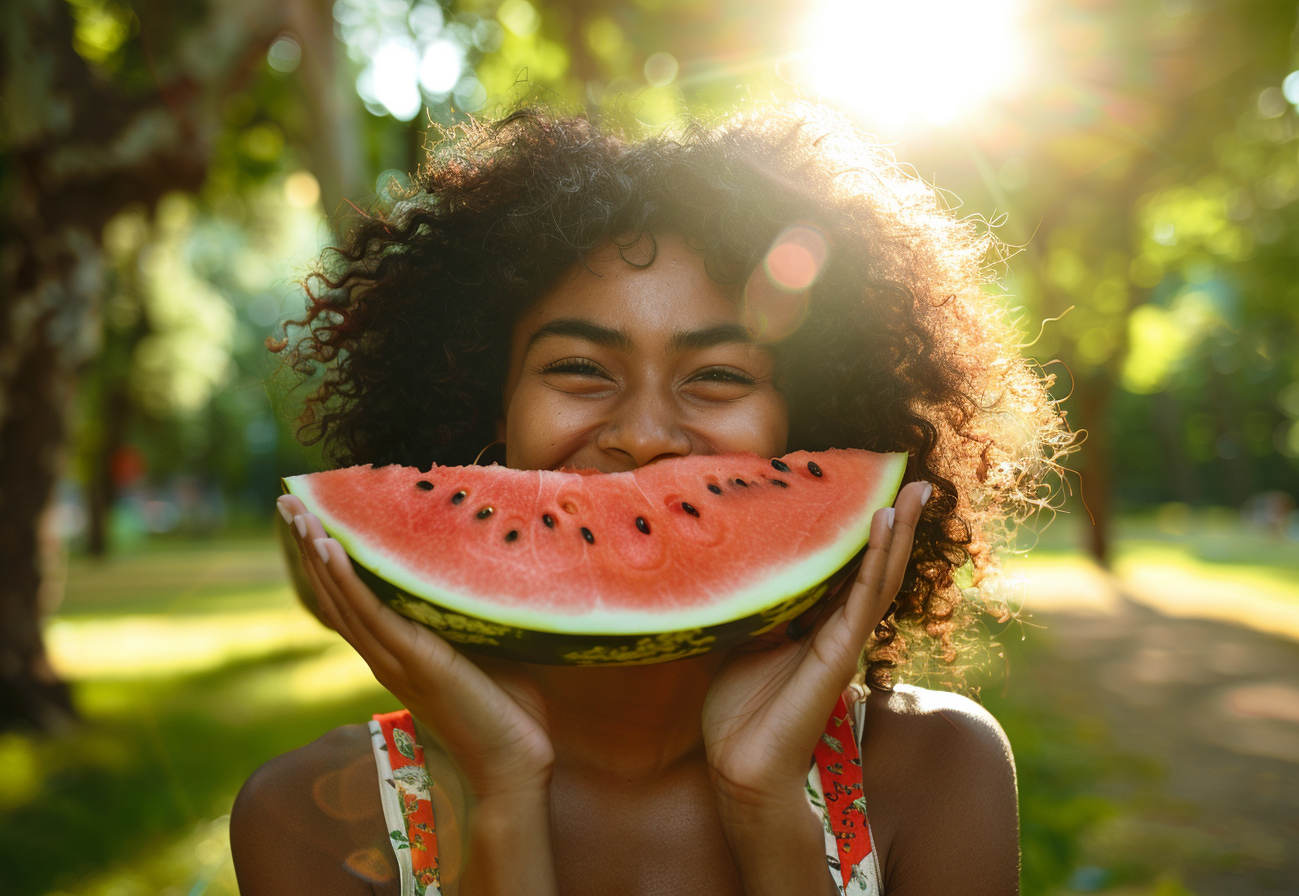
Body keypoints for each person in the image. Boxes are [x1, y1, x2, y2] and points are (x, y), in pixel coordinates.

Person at [231, 105, 1064, 895]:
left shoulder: (937, 770)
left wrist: (766, 804)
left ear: (804, 427)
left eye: (719, 376)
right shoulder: (309, 814)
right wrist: (502, 793)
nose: (645, 435)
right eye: (580, 369)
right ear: (492, 409)